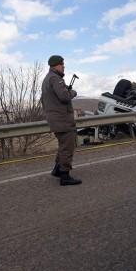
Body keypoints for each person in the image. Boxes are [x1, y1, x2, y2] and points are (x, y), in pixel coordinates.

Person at [41, 55, 82, 186]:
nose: (64, 66)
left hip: (55, 119)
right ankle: (65, 175)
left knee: (63, 145)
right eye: (61, 64)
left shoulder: (47, 79)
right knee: (67, 147)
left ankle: (57, 170)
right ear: (55, 65)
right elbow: (64, 96)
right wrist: (73, 92)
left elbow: (47, 99)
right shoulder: (55, 78)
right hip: (62, 120)